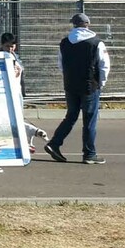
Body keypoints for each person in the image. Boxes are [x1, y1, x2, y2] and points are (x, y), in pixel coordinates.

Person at [44, 13, 111, 165]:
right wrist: (101, 83)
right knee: (89, 120)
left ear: (73, 25)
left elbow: (60, 64)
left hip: (70, 85)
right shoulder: (96, 43)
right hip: (89, 85)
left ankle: (54, 143)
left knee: (71, 116)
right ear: (88, 24)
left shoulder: (64, 42)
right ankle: (89, 153)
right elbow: (104, 65)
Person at [0, 32, 48, 154]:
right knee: (11, 120)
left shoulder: (15, 56)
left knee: (16, 119)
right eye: (7, 46)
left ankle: (28, 139)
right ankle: (32, 133)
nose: (10, 48)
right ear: (2, 45)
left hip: (17, 92)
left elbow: (20, 77)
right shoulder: (0, 57)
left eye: (12, 45)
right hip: (7, 93)